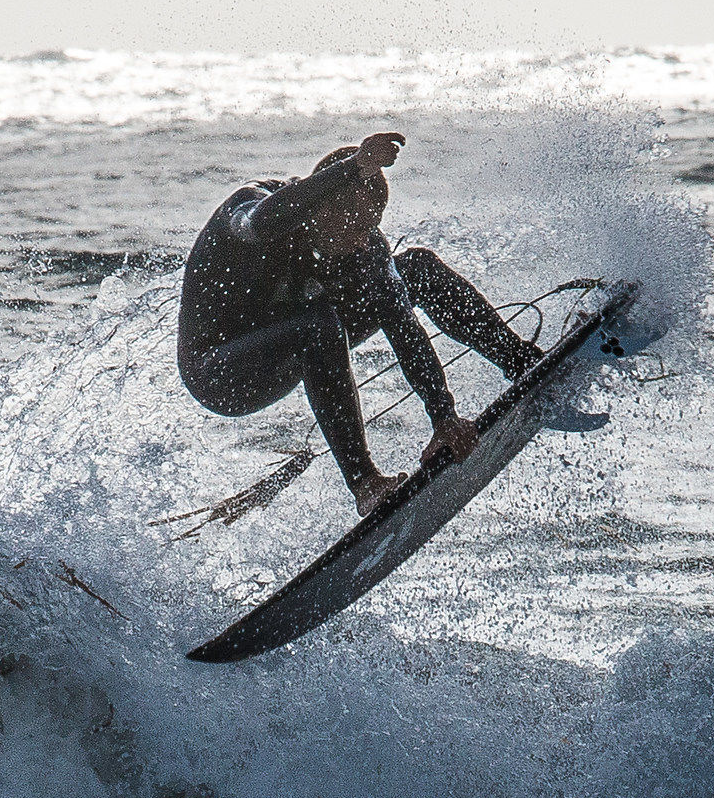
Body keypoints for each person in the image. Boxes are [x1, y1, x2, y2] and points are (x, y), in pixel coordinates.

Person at [176, 132, 545, 517]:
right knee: (317, 325)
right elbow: (265, 221)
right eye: (354, 228)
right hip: (220, 373)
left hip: (298, 340)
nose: (361, 242)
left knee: (415, 270)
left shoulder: (363, 245)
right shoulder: (253, 207)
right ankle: (365, 482)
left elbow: (402, 324)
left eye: (371, 227)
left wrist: (444, 416)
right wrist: (354, 167)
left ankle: (524, 364)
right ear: (322, 205)